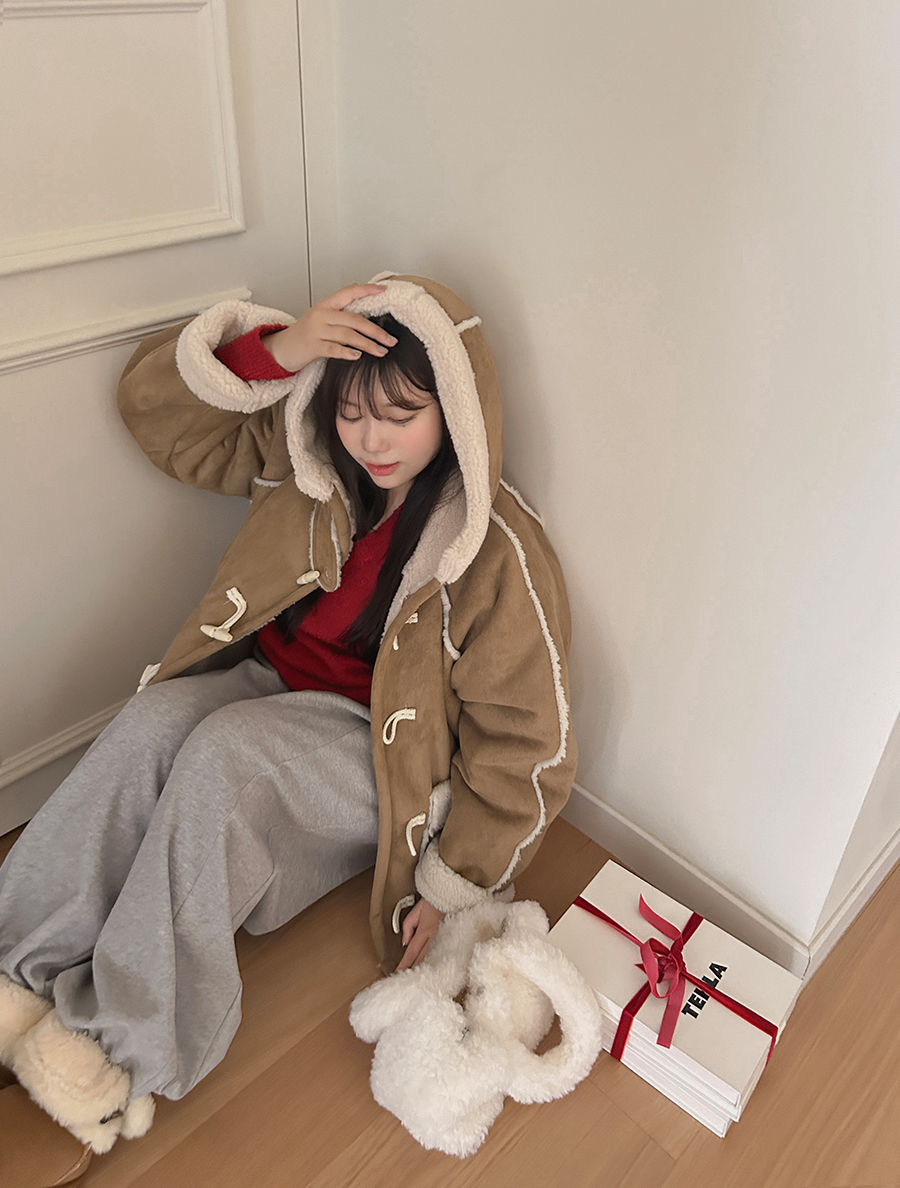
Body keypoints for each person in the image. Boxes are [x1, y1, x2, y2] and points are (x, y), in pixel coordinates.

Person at [0, 273, 577, 1182]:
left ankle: (109, 1062)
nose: (373, 440)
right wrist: (283, 351)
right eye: (353, 411)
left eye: (403, 414)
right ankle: (15, 972)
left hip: (374, 746)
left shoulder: (492, 548)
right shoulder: (310, 459)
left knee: (223, 766)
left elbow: (529, 743)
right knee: (151, 725)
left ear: (456, 409)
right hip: (266, 679)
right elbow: (158, 417)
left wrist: (454, 881)